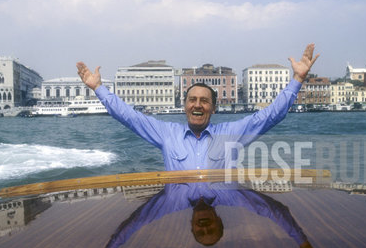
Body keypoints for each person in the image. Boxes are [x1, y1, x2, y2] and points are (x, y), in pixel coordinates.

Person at [77, 44, 319, 171]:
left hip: (219, 203)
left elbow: (270, 116)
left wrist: (297, 79)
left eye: (204, 101)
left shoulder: (230, 134)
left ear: (213, 108)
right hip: (178, 210)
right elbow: (129, 116)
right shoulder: (166, 133)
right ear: (185, 106)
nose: (197, 105)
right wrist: (98, 88)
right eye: (192, 100)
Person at [90, 182, 325, 248]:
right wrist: (302, 243)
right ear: (220, 220)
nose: (204, 228)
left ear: (191, 226)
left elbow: (138, 220)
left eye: (200, 232)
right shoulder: (230, 192)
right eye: (211, 230)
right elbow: (274, 210)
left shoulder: (171, 201)